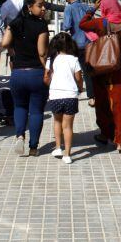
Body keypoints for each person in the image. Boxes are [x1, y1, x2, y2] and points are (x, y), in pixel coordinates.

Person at [79, 0, 121, 153]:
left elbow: (82, 24)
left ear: (104, 8)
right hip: (119, 71)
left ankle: (105, 134)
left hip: (100, 69)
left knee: (103, 104)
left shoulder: (101, 22)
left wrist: (92, 10)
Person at [1, 0, 50, 156]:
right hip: (36, 73)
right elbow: (42, 52)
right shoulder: (41, 25)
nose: (43, 8)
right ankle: (33, 147)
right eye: (40, 5)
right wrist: (48, 69)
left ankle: (20, 136)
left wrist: (11, 32)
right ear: (29, 7)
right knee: (36, 111)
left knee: (20, 107)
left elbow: (4, 43)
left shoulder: (15, 23)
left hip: (17, 74)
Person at [45, 32, 84, 164]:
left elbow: (47, 76)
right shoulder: (74, 60)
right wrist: (80, 88)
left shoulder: (51, 60)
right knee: (67, 126)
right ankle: (67, 155)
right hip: (70, 96)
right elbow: (79, 78)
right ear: (70, 45)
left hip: (55, 95)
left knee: (57, 121)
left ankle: (57, 148)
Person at [62, 0, 95, 107]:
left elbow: (66, 26)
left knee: (74, 69)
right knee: (88, 70)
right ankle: (92, 97)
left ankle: (74, 92)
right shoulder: (86, 7)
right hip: (89, 43)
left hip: (76, 44)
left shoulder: (69, 8)